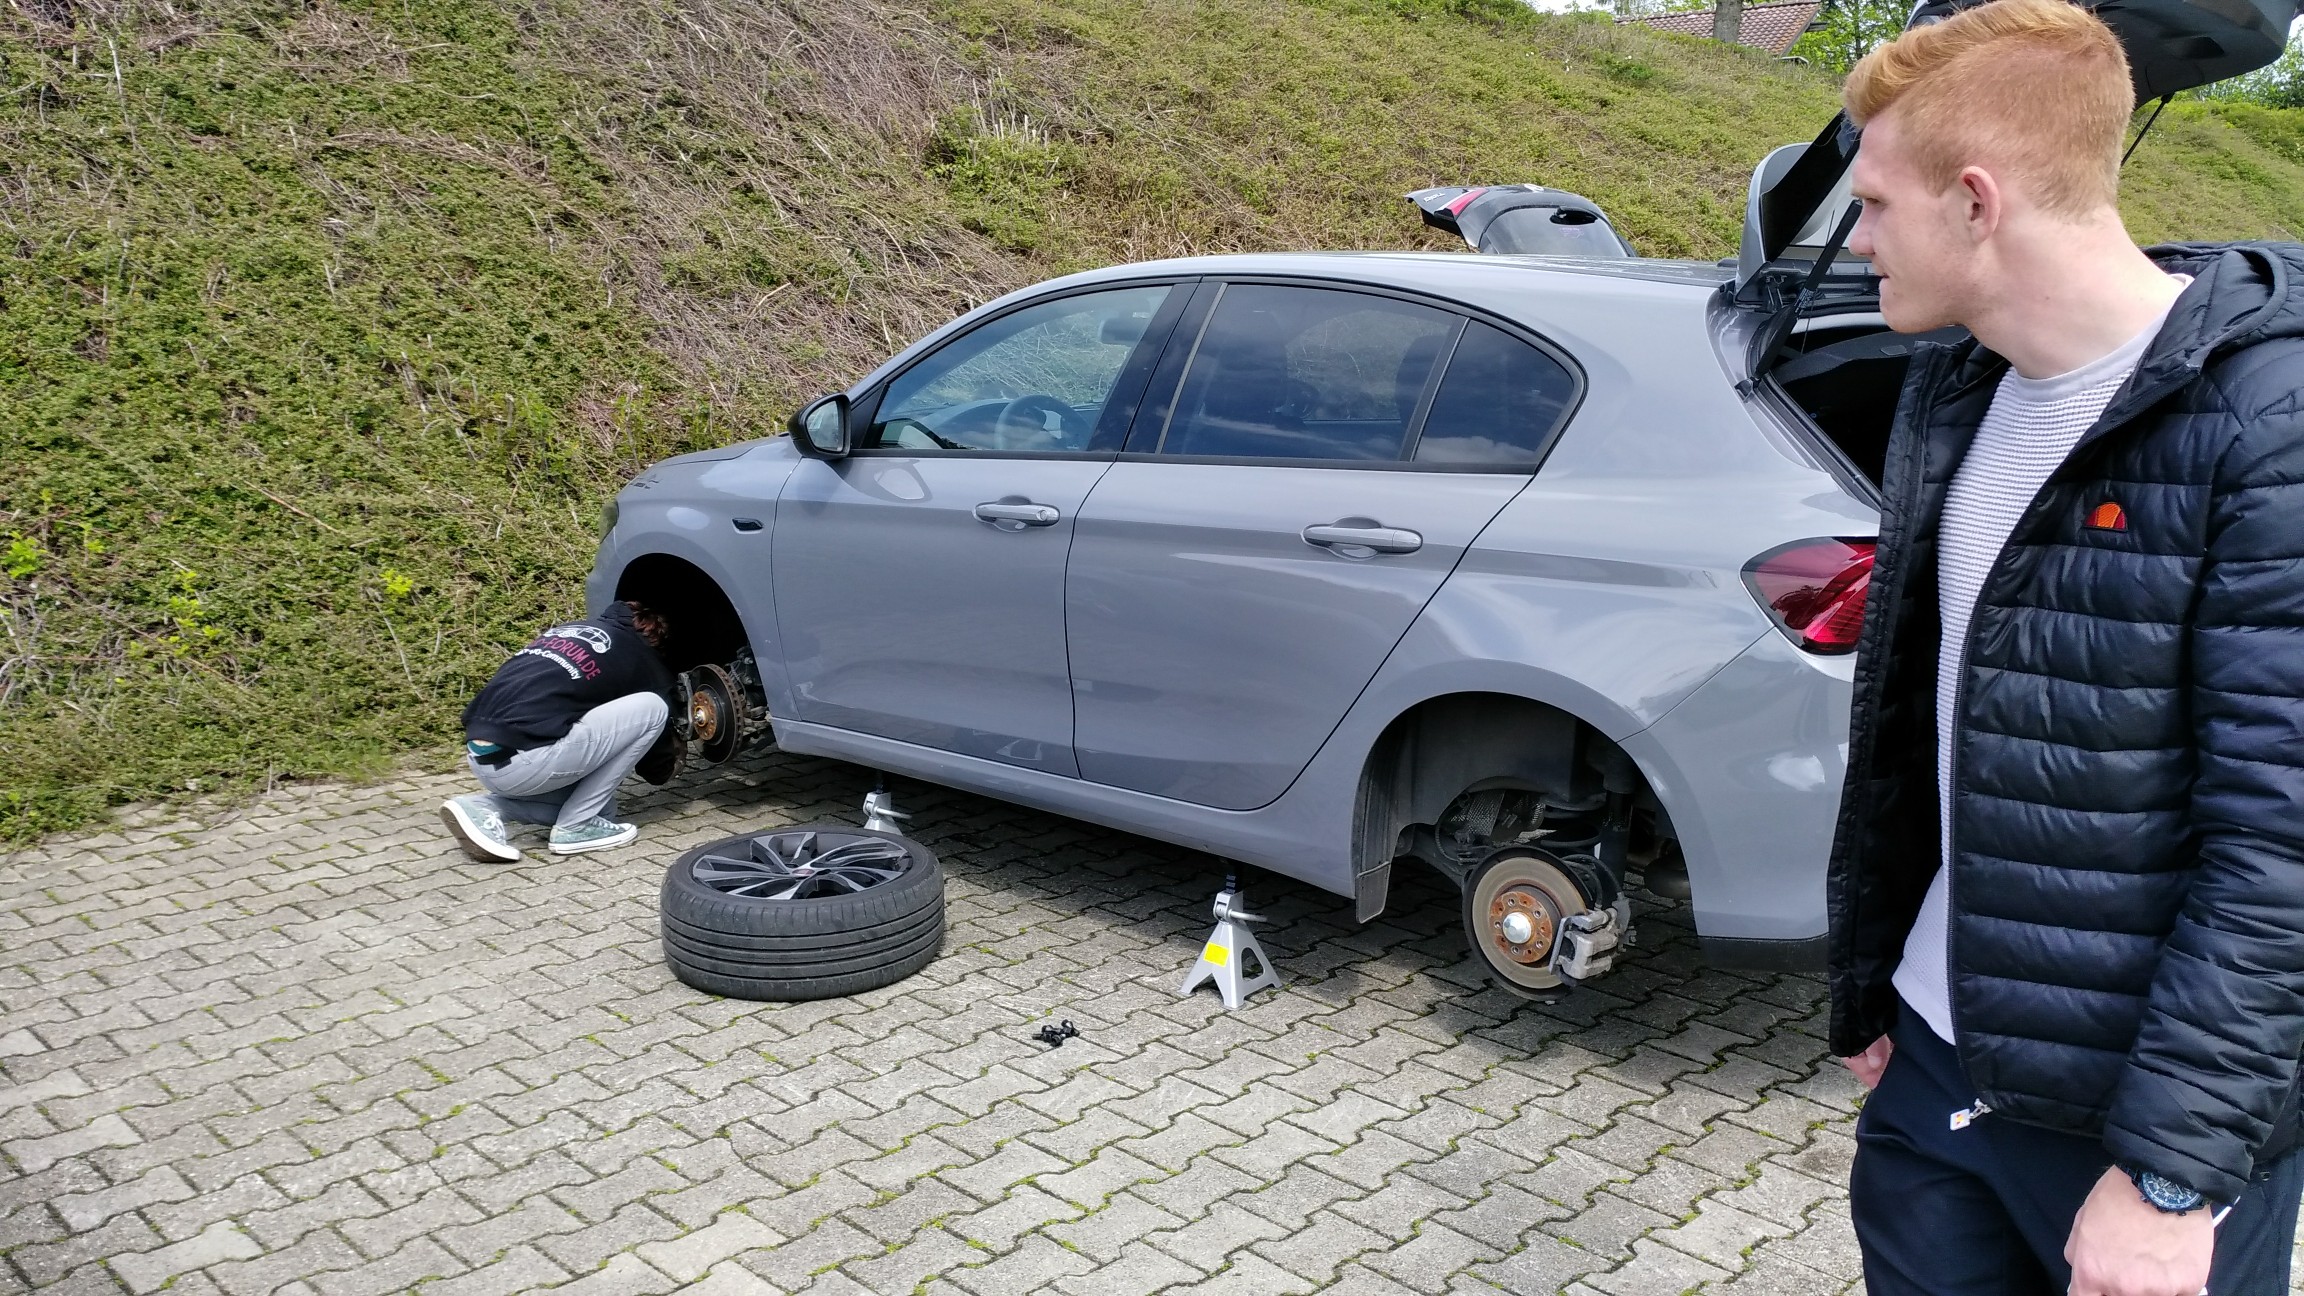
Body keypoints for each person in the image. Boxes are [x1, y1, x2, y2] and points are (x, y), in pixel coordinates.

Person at [1824, 0, 2304, 1292]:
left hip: (2134, 1134)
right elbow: (1919, 719)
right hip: (1936, 1080)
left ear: (1977, 203)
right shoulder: (1959, 385)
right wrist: (1881, 987)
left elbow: (2280, 845)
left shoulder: (2267, 421)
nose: (1855, 238)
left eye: (1873, 203)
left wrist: (2170, 1177)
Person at [440, 600, 682, 861]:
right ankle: (577, 827)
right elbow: (656, 769)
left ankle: (483, 808)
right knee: (653, 707)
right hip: (527, 761)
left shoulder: (571, 630)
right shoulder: (645, 658)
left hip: (482, 756)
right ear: (660, 641)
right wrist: (673, 760)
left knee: (602, 809)